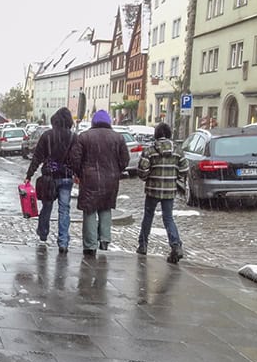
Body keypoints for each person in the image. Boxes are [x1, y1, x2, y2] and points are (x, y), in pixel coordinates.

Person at [69, 109, 129, 256]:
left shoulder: (84, 137)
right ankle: (104, 239)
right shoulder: (118, 138)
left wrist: (78, 173)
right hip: (110, 179)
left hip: (89, 179)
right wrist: (116, 170)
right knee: (105, 208)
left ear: (93, 122)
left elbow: (75, 159)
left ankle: (90, 245)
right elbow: (125, 160)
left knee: (90, 210)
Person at [136, 122, 189, 263]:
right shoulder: (178, 150)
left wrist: (148, 177)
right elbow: (184, 170)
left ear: (156, 134)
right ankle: (176, 245)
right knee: (168, 218)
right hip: (169, 191)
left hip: (152, 190)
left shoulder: (150, 151)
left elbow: (142, 171)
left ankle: (143, 245)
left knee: (148, 216)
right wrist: (174, 177)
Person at [24, 107, 75, 254]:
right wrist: (78, 174)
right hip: (66, 177)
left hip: (49, 178)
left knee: (47, 206)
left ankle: (43, 233)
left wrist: (29, 174)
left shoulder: (47, 136)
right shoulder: (73, 137)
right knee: (64, 210)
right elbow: (77, 159)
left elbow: (37, 157)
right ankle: (63, 241)